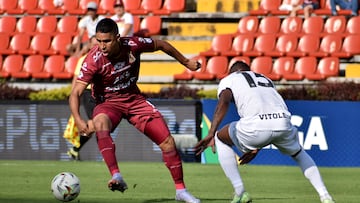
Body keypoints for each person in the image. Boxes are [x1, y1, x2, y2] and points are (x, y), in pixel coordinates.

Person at [69, 18, 201, 203]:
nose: (102, 46)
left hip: (134, 100)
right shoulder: (93, 60)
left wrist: (186, 62)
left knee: (168, 143)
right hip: (108, 103)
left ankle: (181, 191)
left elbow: (162, 44)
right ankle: (116, 175)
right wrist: (78, 120)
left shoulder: (133, 44)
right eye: (99, 41)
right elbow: (75, 93)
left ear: (117, 37)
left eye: (106, 41)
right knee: (100, 123)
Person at [195, 61, 335, 203]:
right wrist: (257, 147)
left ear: (232, 72)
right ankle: (325, 196)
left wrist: (211, 132)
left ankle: (240, 192)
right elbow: (267, 116)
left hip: (255, 127)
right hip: (282, 122)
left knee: (220, 138)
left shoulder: (230, 79)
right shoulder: (264, 78)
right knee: (299, 153)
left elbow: (224, 102)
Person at [66, 36, 98, 160]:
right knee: (95, 124)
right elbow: (76, 79)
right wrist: (74, 96)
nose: (97, 47)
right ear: (89, 45)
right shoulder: (84, 59)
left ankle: (75, 149)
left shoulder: (105, 58)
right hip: (88, 93)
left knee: (94, 126)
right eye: (94, 44)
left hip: (101, 94)